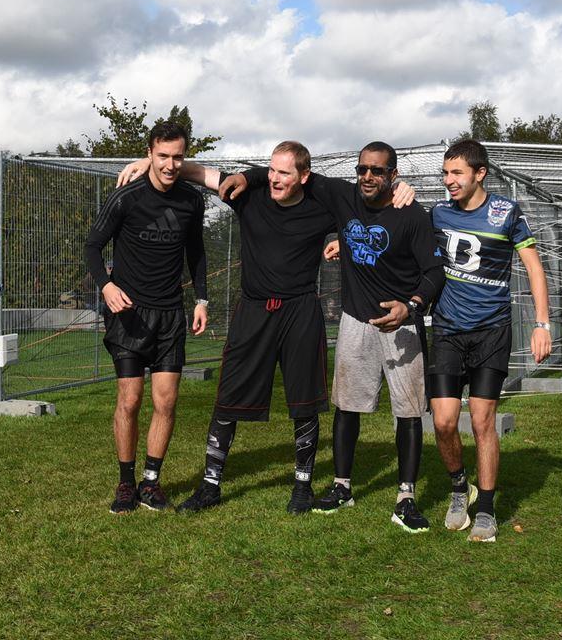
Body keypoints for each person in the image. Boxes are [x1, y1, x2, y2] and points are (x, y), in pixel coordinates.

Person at [113, 142, 413, 514]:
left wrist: (402, 189)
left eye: (284, 172)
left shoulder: (323, 206)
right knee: (227, 400)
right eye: (271, 170)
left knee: (305, 404)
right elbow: (201, 174)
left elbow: (371, 204)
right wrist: (149, 164)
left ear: (303, 176)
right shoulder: (247, 196)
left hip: (300, 312)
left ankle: (302, 487)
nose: (274, 178)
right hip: (253, 311)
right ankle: (210, 486)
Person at [236, 141, 444, 533]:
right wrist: (247, 176)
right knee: (346, 406)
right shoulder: (342, 196)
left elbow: (434, 272)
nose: (367, 176)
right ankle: (342, 487)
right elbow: (289, 173)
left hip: (401, 324)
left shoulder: (412, 214)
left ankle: (406, 497)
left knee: (409, 411)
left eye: (377, 171)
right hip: (355, 319)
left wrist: (411, 306)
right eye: (362, 168)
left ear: (393, 175)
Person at [425, 140, 552, 543]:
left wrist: (542, 324)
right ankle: (459, 487)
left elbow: (534, 268)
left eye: (456, 173)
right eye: (445, 173)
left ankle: (486, 510)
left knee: (482, 421)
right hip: (447, 330)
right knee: (444, 422)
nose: (449, 181)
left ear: (479, 173)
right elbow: (403, 242)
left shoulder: (506, 212)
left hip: (492, 332)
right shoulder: (437, 213)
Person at [83, 122, 209, 514]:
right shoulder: (127, 197)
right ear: (150, 154)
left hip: (170, 315)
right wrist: (106, 286)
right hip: (129, 316)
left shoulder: (192, 201)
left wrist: (201, 299)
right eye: (163, 156)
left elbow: (197, 252)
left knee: (166, 401)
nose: (170, 165)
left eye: (178, 157)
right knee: (131, 399)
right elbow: (92, 245)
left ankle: (151, 482)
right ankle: (126, 483)